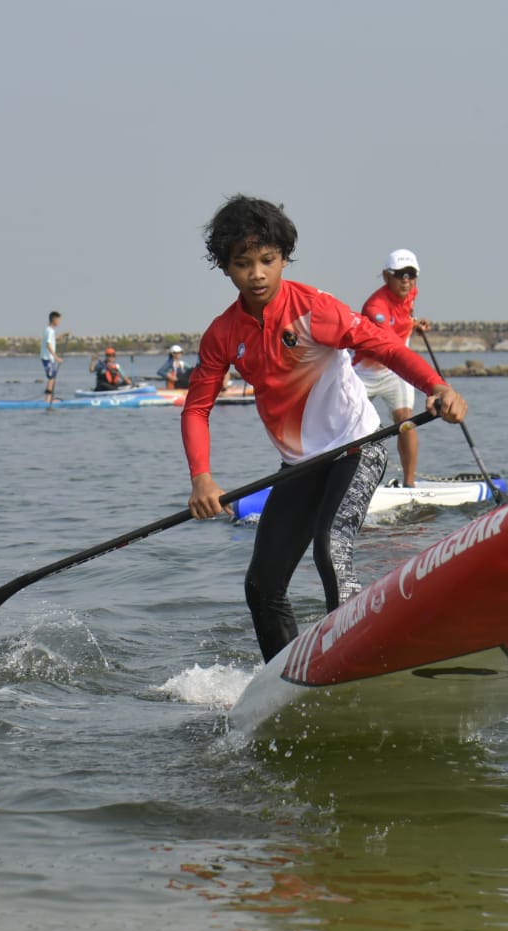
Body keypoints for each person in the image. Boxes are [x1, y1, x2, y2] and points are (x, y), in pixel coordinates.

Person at [182, 194, 468, 663]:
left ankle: (362, 660)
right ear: (226, 268)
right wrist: (201, 478)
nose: (257, 274)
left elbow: (386, 347)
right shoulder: (222, 334)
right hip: (298, 465)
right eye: (243, 264)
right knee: (262, 584)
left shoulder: (315, 308)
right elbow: (196, 409)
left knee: (330, 551)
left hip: (357, 446)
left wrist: (437, 386)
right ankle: (286, 680)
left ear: (283, 258)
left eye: (267, 260)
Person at [354, 249, 431, 487]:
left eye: (410, 274)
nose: (406, 281)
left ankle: (409, 485)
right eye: (399, 275)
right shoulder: (374, 308)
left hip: (395, 372)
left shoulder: (411, 293)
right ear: (387, 276)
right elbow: (389, 344)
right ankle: (346, 482)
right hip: (364, 371)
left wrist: (413, 324)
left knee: (405, 420)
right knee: (350, 425)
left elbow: (401, 317)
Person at [40, 311, 70, 402]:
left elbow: (54, 338)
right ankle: (47, 400)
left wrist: (64, 334)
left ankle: (49, 399)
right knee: (51, 377)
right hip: (47, 358)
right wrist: (56, 357)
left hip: (50, 358)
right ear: (54, 319)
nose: (59, 322)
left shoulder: (50, 330)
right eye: (58, 320)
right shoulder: (49, 331)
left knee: (53, 377)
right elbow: (48, 345)